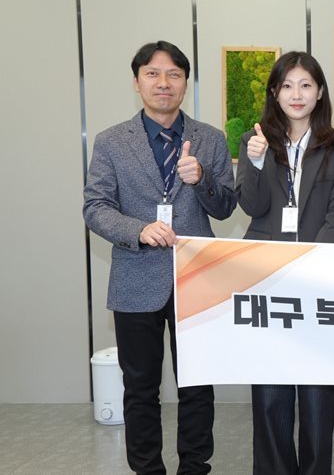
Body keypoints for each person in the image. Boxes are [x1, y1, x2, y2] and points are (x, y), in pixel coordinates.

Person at [83, 40, 237, 474]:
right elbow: (95, 206)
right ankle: (147, 468)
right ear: (137, 83)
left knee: (197, 386)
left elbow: (226, 207)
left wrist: (202, 178)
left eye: (174, 74)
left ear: (185, 83)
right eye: (152, 73)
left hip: (197, 278)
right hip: (135, 279)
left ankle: (195, 467)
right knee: (140, 388)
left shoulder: (210, 139)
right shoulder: (111, 142)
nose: (163, 83)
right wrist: (137, 229)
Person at [235, 51, 334, 475]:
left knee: (319, 399)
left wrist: (309, 266)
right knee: (270, 397)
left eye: (306, 85)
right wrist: (254, 162)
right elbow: (252, 206)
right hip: (267, 281)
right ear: (274, 92)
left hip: (319, 282)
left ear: (320, 92)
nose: (296, 94)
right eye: (287, 86)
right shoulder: (256, 140)